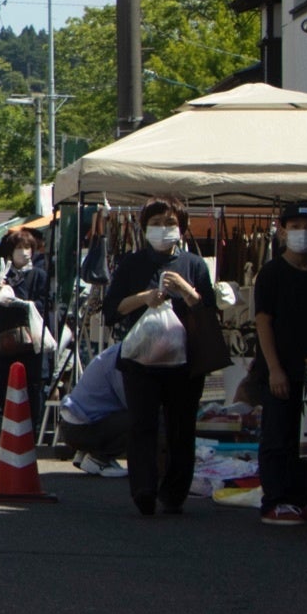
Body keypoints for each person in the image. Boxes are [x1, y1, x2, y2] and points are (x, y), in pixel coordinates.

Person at [103, 198, 215, 517]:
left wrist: (186, 290)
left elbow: (208, 311)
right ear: (144, 228)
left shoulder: (194, 265)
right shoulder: (132, 264)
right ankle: (144, 489)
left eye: (169, 223)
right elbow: (112, 310)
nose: (163, 229)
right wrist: (144, 298)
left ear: (181, 228)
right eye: (156, 223)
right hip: (140, 358)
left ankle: (175, 491)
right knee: (142, 424)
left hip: (185, 360)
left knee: (181, 426)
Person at [253, 201, 307, 526]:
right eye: (297, 227)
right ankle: (274, 500)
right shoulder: (272, 273)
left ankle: (300, 498)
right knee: (278, 435)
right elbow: (263, 321)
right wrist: (274, 367)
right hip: (280, 369)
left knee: (306, 441)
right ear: (283, 230)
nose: (303, 233)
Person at [0, 227, 52, 428]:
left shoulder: (39, 275)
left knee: (32, 384)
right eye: (19, 248)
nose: (23, 252)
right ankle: (10, 426)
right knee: (4, 382)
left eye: (27, 247)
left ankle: (34, 426)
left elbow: (44, 304)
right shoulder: (1, 275)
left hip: (31, 337)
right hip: (6, 336)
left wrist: (19, 301)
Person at [57, 345, 130, 478]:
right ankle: (98, 459)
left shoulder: (112, 353)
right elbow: (130, 402)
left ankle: (85, 453)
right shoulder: (120, 360)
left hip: (72, 423)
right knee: (140, 418)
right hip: (79, 429)